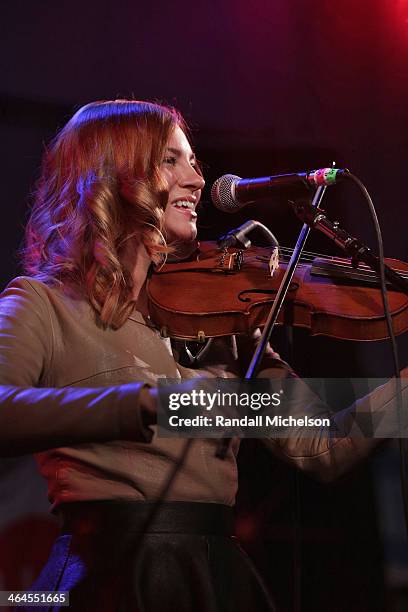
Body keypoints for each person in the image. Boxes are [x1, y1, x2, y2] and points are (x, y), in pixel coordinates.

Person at [0, 100, 406, 612]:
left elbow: (320, 447)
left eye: (193, 161)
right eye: (172, 160)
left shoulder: (219, 323)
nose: (197, 179)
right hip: (111, 572)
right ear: (111, 172)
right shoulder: (43, 304)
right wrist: (150, 403)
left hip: (216, 572)